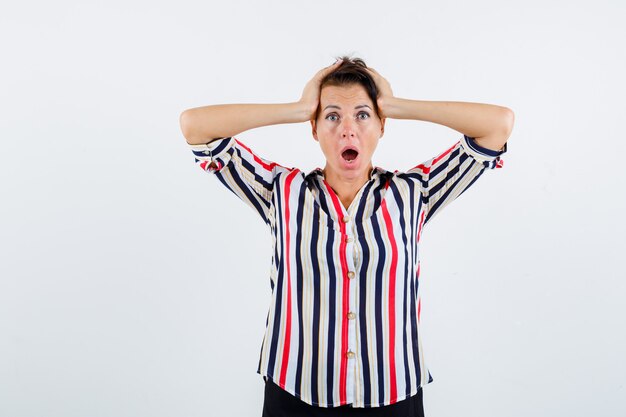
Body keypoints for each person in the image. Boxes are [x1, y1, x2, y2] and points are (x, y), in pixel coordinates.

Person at [180, 56, 513, 416]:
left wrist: (397, 104)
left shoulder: (414, 192)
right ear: (315, 128)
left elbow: (498, 126)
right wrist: (297, 108)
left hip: (393, 394)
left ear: (382, 125)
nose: (347, 130)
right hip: (296, 393)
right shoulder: (282, 191)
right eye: (332, 116)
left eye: (363, 115)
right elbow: (195, 127)